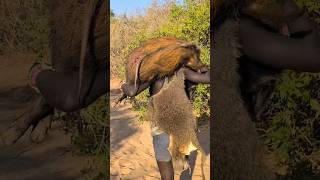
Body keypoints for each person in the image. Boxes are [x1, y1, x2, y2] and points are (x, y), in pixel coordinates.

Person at [121, 66, 209, 180]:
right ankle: (183, 159)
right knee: (182, 158)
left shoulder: (155, 74)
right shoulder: (184, 71)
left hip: (160, 126)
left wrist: (123, 86)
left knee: (165, 166)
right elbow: (208, 78)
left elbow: (132, 91)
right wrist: (203, 68)